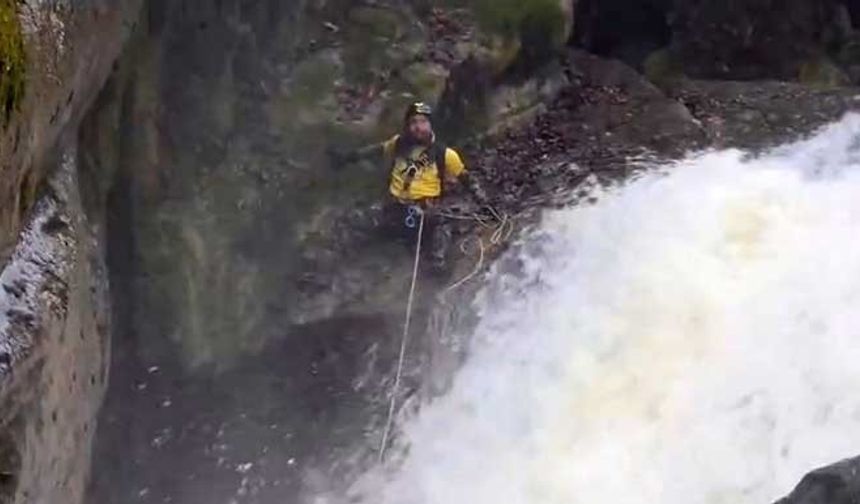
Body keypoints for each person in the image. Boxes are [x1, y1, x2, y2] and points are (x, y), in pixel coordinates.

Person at [330, 102, 489, 276]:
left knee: (443, 221)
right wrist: (347, 158)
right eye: (413, 122)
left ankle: (437, 261)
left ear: (430, 124)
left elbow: (467, 179)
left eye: (422, 122)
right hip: (395, 210)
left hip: (424, 215)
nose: (417, 127)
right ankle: (343, 262)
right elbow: (375, 151)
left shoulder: (445, 154)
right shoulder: (398, 144)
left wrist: (485, 203)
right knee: (357, 220)